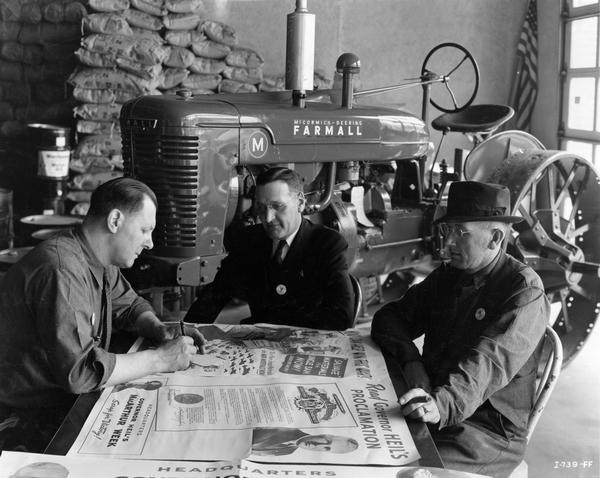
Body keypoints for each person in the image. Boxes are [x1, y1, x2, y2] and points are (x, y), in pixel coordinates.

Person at [0, 177, 205, 453]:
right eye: (145, 230)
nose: (150, 243)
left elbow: (130, 305)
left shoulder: (97, 258)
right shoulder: (62, 270)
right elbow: (81, 372)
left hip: (61, 401)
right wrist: (161, 359)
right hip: (25, 414)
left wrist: (159, 329)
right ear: (115, 221)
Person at [371, 181, 550, 478]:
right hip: (433, 402)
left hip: (485, 430)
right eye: (447, 231)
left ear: (495, 238)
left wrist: (442, 404)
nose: (447, 244)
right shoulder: (450, 274)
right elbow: (390, 317)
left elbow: (490, 361)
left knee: (405, 473)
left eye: (460, 233)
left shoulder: (524, 291)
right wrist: (412, 362)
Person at [184, 167, 354, 330]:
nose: (268, 217)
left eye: (278, 206)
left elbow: (341, 316)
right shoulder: (248, 241)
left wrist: (271, 323)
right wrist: (187, 332)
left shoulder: (327, 244)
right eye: (261, 207)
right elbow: (215, 296)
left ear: (301, 203)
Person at [251, 427, 359, 456]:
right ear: (324, 435)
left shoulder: (288, 452)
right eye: (326, 441)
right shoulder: (288, 427)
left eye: (326, 448)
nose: (318, 445)